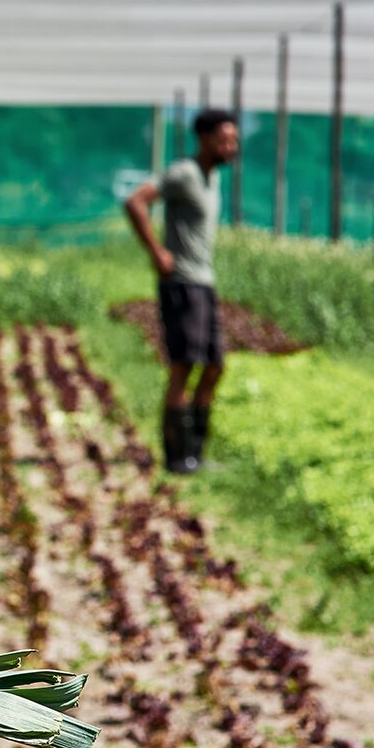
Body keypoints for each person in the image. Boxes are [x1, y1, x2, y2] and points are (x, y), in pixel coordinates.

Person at [122, 108, 241, 474]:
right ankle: (177, 457)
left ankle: (196, 452)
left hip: (203, 281)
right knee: (183, 367)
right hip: (182, 283)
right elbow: (135, 201)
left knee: (215, 366)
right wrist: (157, 252)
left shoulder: (211, 177)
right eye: (223, 139)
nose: (230, 146)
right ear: (204, 139)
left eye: (234, 139)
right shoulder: (185, 173)